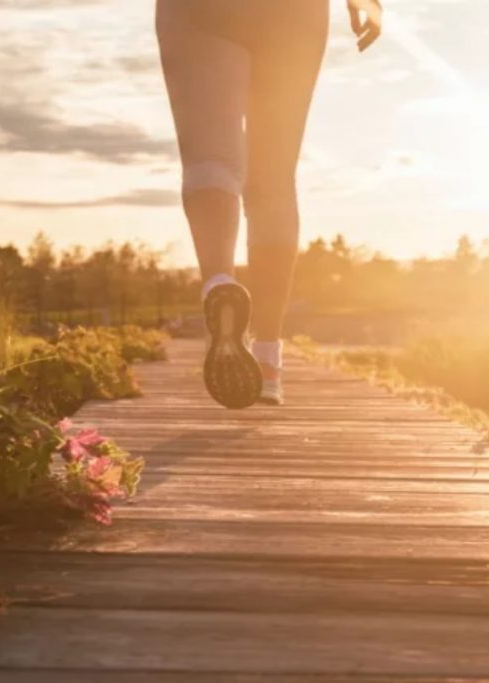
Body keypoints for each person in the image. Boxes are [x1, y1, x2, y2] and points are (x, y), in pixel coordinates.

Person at [157, 0, 382, 409]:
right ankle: (267, 361)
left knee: (212, 162)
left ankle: (220, 285)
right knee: (274, 181)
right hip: (294, 14)